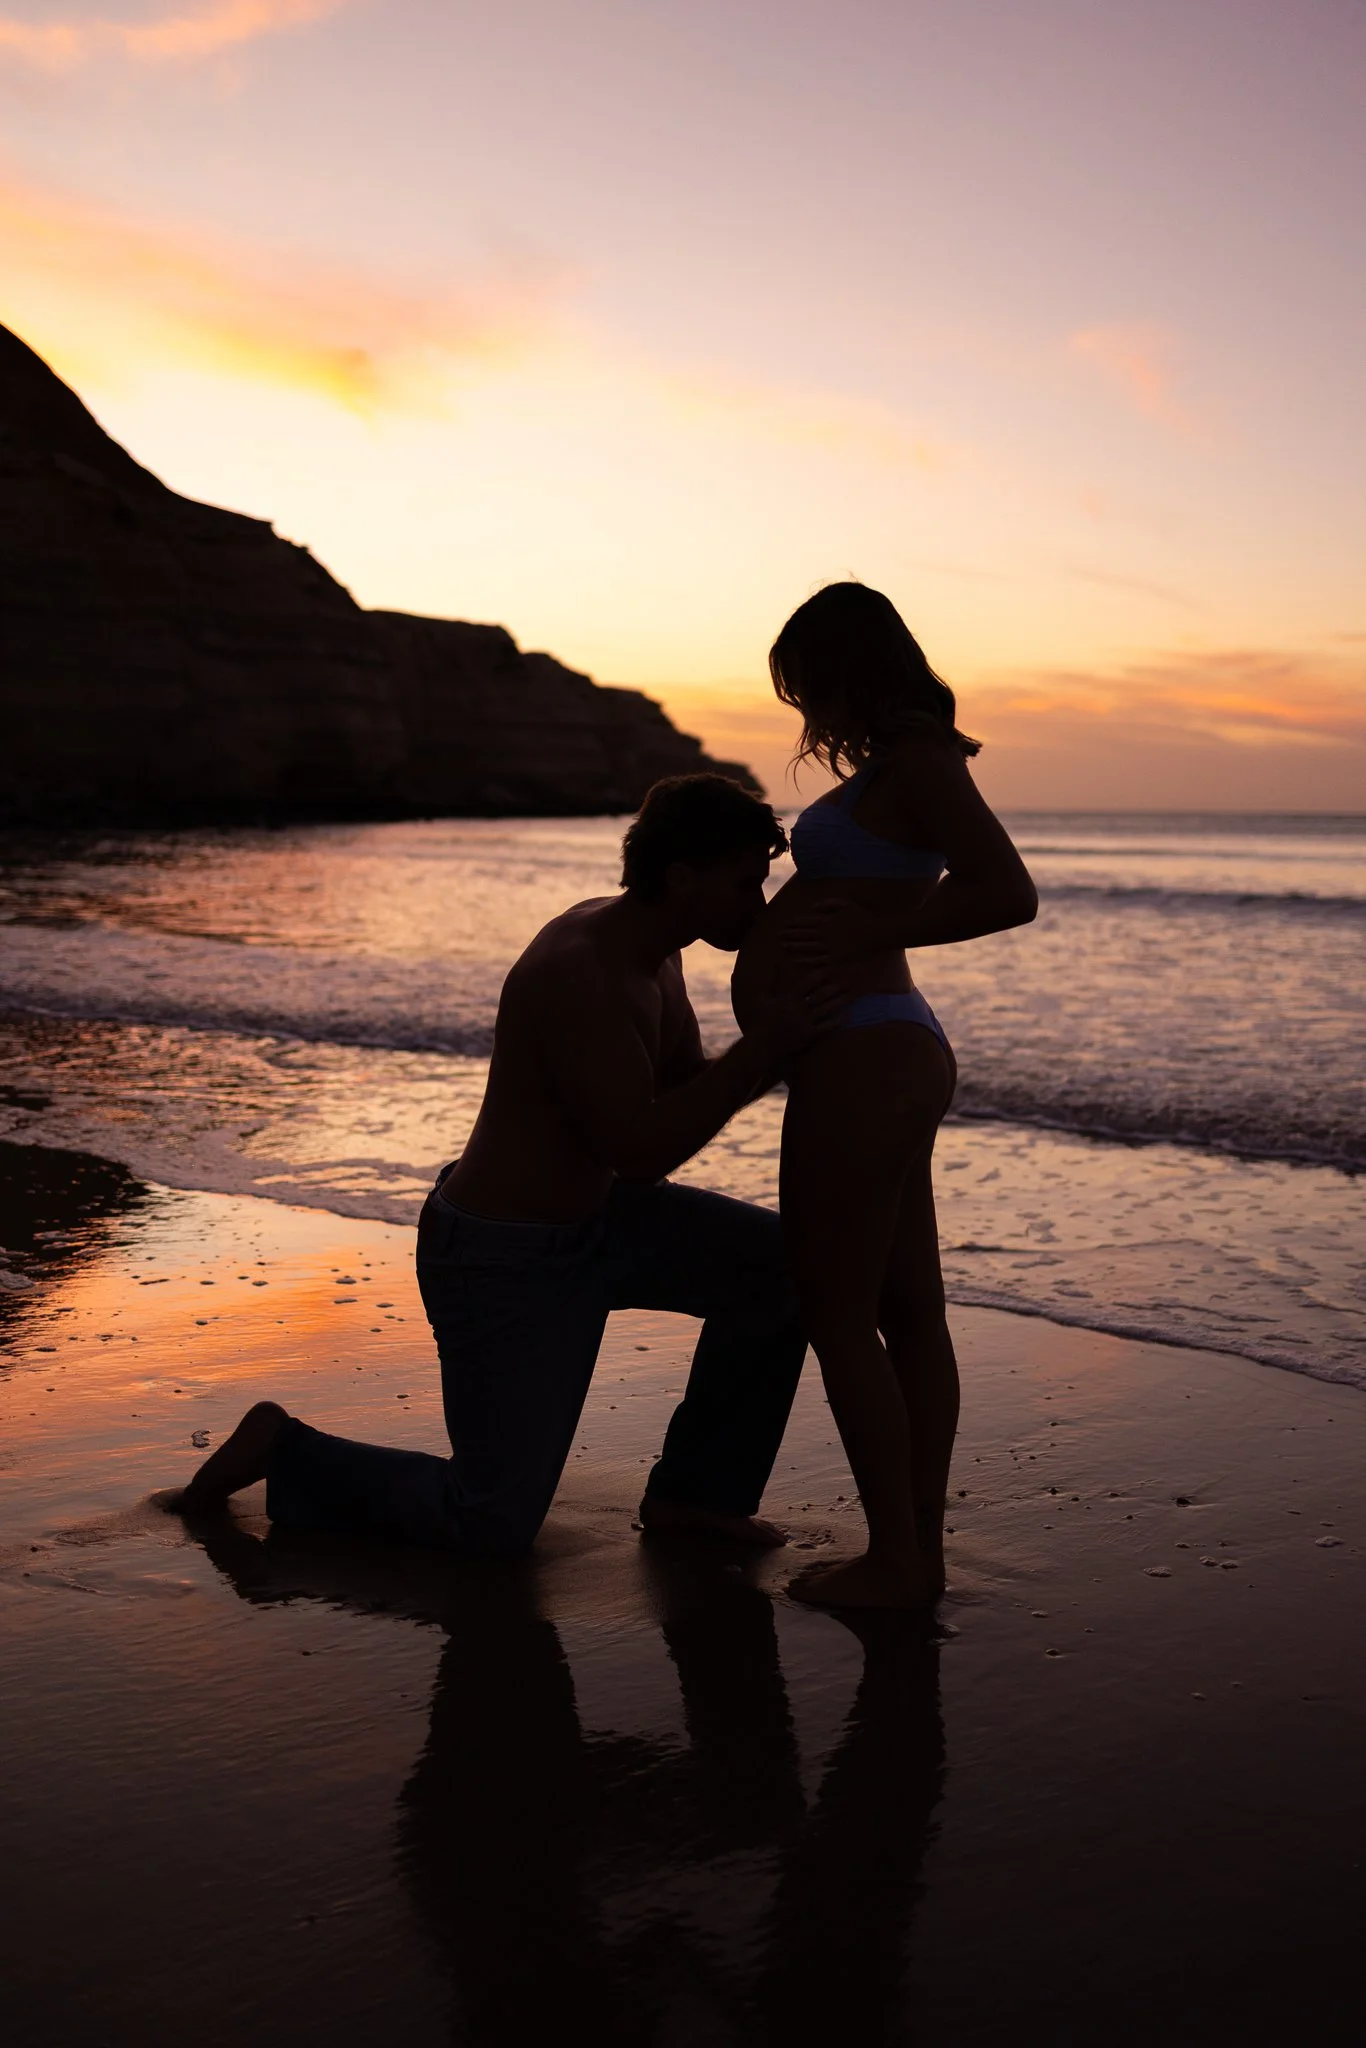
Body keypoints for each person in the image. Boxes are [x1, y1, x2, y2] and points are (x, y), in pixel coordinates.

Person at [175, 775, 841, 1553]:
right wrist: (765, 1049)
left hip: (599, 1224)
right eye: (744, 883)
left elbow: (682, 1084)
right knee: (487, 1522)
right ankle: (284, 1449)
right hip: (505, 1256)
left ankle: (697, 1498)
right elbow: (640, 1152)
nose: (757, 906)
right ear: (682, 877)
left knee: (786, 1266)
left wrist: (788, 1041)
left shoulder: (655, 953)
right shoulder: (582, 969)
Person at [731, 582, 1038, 1608]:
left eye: (807, 686)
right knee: (908, 1311)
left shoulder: (919, 763)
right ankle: (917, 1552)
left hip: (870, 1054)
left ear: (847, 670)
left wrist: (874, 931)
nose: (805, 712)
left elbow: (1004, 890)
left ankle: (898, 1558)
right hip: (871, 1052)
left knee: (836, 1311)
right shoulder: (898, 766)